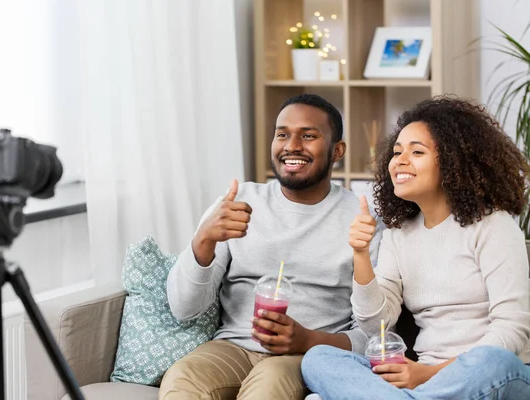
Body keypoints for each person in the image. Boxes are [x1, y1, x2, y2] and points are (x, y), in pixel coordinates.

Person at [301, 96, 530, 399]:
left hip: (489, 374)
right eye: (397, 152)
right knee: (319, 359)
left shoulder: (494, 226)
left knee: (493, 361)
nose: (400, 161)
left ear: (453, 162)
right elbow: (376, 326)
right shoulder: (399, 235)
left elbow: (511, 330)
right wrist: (360, 255)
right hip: (424, 380)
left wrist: (429, 374)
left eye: (417, 151)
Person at [159, 93, 382, 400]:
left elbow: (372, 334)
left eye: (308, 135)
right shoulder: (238, 204)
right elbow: (184, 310)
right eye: (282, 135)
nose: (292, 146)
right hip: (232, 347)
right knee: (183, 377)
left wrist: (307, 340)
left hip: (305, 356)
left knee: (268, 386)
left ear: (337, 151)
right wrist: (203, 240)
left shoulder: (361, 221)